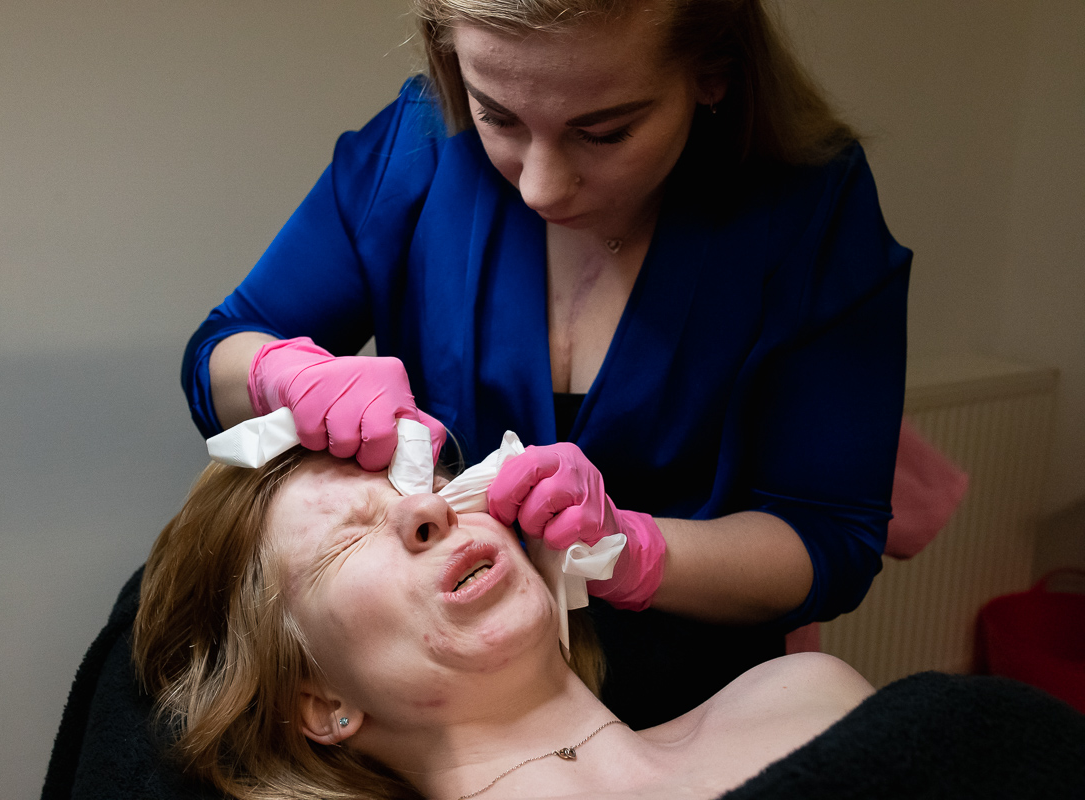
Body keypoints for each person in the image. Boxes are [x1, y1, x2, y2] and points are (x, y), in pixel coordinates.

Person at [181, 0, 911, 726]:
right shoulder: (421, 146)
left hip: (692, 690)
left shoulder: (808, 210)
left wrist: (633, 550)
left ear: (712, 75)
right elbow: (224, 346)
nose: (539, 187)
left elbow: (830, 536)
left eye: (603, 132)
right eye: (499, 117)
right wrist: (280, 373)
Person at [133, 448, 876, 800]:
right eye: (348, 539)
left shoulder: (803, 692)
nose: (428, 512)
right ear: (322, 702)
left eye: (433, 486)